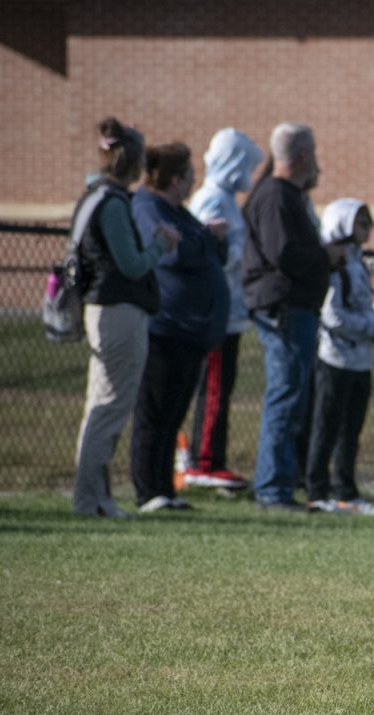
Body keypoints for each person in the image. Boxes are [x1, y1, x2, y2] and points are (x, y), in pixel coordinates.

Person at [72, 117, 180, 518]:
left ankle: (97, 500)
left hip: (107, 312)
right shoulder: (112, 204)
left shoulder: (94, 196)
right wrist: (160, 245)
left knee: (101, 406)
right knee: (109, 408)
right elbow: (132, 265)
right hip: (117, 313)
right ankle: (89, 501)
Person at [242, 123, 339, 512]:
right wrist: (326, 257)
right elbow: (284, 255)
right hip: (283, 310)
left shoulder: (286, 197)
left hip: (296, 310)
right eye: (313, 152)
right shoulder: (276, 197)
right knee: (284, 397)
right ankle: (272, 489)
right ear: (301, 156)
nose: (316, 161)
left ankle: (281, 485)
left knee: (292, 396)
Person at [130, 143, 231, 512]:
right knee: (153, 413)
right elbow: (172, 253)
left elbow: (203, 249)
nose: (193, 180)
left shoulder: (179, 213)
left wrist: (205, 239)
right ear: (175, 179)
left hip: (192, 331)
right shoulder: (147, 206)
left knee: (173, 415)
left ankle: (165, 491)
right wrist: (206, 238)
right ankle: (147, 491)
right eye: (189, 174)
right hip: (165, 327)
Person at [183, 128, 265, 491]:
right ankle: (204, 461)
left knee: (222, 387)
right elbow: (206, 253)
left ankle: (213, 459)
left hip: (230, 310)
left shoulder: (226, 200)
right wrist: (235, 254)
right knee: (214, 387)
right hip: (216, 311)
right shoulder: (212, 200)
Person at [305, 199, 374, 515]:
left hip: (361, 361)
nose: (366, 229)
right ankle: (316, 490)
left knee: (350, 431)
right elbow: (333, 316)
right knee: (326, 427)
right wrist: (373, 326)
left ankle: (346, 490)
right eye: (360, 223)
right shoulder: (337, 264)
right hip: (335, 359)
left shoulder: (357, 263)